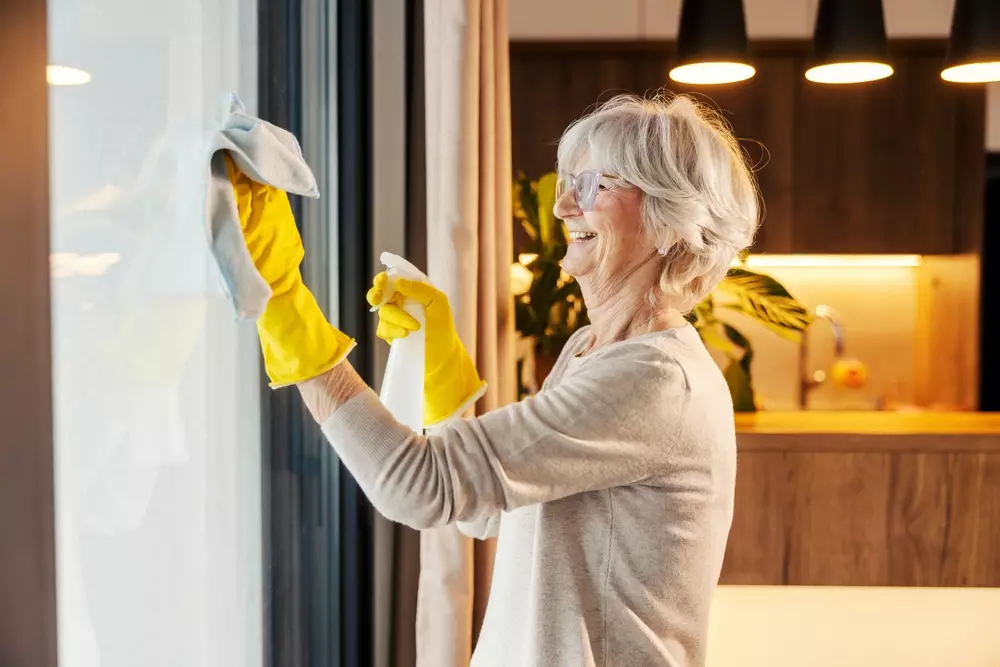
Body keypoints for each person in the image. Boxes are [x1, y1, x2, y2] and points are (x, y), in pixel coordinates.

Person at [226, 92, 759, 667]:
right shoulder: (592, 349)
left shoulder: (655, 380)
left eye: (595, 186)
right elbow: (489, 511)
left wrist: (285, 304)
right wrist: (440, 369)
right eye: (569, 183)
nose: (563, 209)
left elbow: (418, 487)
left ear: (668, 220)